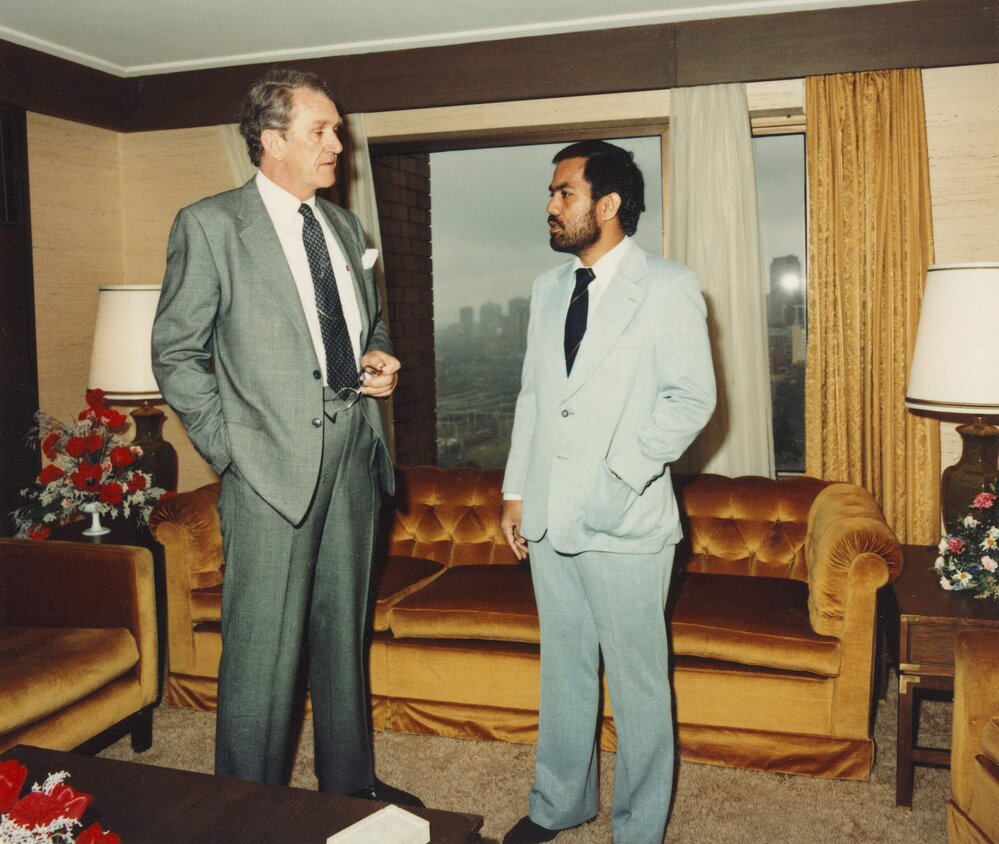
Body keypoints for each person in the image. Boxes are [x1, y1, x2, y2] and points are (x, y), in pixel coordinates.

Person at [151, 68, 420, 806]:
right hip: (268, 470)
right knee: (262, 658)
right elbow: (177, 352)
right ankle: (249, 810)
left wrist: (380, 360)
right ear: (273, 142)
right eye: (322, 131)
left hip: (353, 460)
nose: (340, 143)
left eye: (335, 129)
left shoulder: (342, 226)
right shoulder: (210, 224)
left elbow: (373, 323)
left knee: (343, 642)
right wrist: (231, 449)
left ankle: (349, 788)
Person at [500, 141, 716, 843]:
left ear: (608, 204)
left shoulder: (669, 285)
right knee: (564, 670)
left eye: (563, 193)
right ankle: (557, 806)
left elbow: (690, 400)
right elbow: (535, 397)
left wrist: (621, 474)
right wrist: (516, 493)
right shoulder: (545, 290)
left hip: (624, 518)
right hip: (549, 517)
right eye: (552, 193)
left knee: (637, 685)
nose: (550, 206)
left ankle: (637, 829)